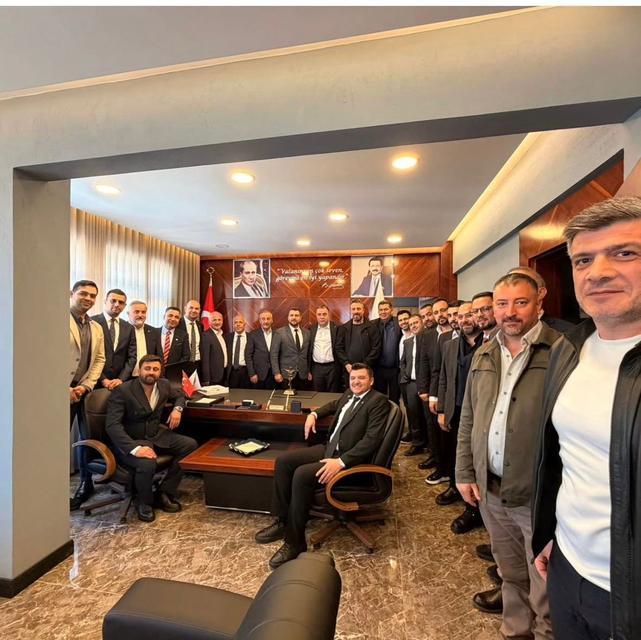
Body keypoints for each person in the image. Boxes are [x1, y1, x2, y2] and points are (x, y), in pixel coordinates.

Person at [532, 197, 641, 640]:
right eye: (583, 260)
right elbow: (564, 459)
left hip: (627, 595)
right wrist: (552, 533)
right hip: (567, 568)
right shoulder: (570, 348)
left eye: (624, 252)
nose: (598, 272)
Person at [456, 273, 560, 636]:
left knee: (545, 581)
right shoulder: (484, 353)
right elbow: (469, 418)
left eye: (521, 302)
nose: (510, 312)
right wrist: (464, 472)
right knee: (510, 572)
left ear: (539, 303)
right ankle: (515, 631)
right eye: (502, 304)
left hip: (535, 495)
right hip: (490, 489)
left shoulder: (560, 351)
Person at [254, 363, 390, 569]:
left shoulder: (378, 401)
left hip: (349, 461)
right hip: (330, 449)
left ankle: (295, 542)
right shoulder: (349, 394)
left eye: (361, 378)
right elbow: (334, 405)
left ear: (371, 381)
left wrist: (341, 462)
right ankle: (283, 521)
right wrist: (314, 414)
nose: (356, 382)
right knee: (283, 462)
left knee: (301, 475)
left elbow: (371, 441)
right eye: (353, 378)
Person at [105, 354, 198, 522]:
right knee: (147, 462)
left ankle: (164, 492)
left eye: (155, 369)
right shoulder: (123, 391)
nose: (151, 372)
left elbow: (180, 395)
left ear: (160, 372)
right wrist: (135, 449)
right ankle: (144, 503)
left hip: (156, 435)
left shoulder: (164, 385)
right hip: (131, 440)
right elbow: (112, 426)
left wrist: (177, 409)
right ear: (139, 370)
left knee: (190, 445)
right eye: (147, 368)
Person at [448, 290, 500, 535]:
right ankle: (474, 510)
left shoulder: (496, 341)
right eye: (475, 311)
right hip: (467, 409)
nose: (478, 315)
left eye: (484, 309)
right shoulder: (477, 344)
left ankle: (489, 521)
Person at [435, 301, 483, 507]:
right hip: (455, 409)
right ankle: (455, 487)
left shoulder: (490, 343)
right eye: (460, 316)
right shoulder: (450, 346)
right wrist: (442, 410)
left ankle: (477, 503)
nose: (464, 320)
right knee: (456, 451)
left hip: (481, 411)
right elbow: (444, 379)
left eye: (468, 315)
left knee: (478, 456)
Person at [69, 279, 106, 510]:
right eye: (83, 293)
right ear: (71, 293)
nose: (88, 299)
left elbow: (99, 359)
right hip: (57, 391)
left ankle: (85, 483)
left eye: (93, 295)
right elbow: (45, 355)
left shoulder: (95, 327)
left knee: (85, 439)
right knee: (54, 442)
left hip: (83, 391)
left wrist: (86, 386)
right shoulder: (56, 318)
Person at [507, 266, 576, 333]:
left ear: (540, 293)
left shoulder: (568, 332)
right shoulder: (501, 329)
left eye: (520, 285)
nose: (513, 291)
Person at [92, 288, 137, 390]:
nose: (117, 304)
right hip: (95, 381)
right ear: (105, 301)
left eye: (121, 302)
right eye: (113, 301)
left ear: (124, 306)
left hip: (119, 384)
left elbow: (132, 357)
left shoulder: (129, 328)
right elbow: (88, 355)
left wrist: (121, 379)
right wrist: (103, 379)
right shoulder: (92, 322)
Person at [399, 315, 427, 456]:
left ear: (422, 323)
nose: (413, 326)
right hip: (411, 383)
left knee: (427, 416)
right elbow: (403, 361)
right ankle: (417, 444)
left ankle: (429, 444)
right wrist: (406, 375)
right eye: (411, 324)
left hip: (426, 384)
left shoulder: (429, 340)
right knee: (414, 415)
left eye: (416, 322)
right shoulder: (408, 342)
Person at [335, 300, 381, 383]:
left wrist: (365, 364)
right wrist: (346, 363)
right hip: (349, 369)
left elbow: (376, 348)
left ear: (363, 310)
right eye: (353, 309)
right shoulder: (343, 328)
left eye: (358, 309)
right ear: (351, 311)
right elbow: (338, 348)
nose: (356, 311)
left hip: (367, 368)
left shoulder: (372, 327)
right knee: (350, 390)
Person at [271, 307, 310, 390]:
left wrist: (309, 371)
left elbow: (309, 354)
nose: (294, 317)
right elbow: (274, 354)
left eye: (296, 315)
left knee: (304, 397)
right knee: (287, 397)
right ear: (288, 317)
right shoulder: (279, 333)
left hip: (303, 375)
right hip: (286, 374)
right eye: (291, 315)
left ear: (300, 318)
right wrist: (276, 373)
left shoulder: (307, 333)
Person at [372, 300, 402, 404]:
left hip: (395, 368)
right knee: (380, 398)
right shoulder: (373, 324)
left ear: (391, 310)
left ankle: (395, 414)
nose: (383, 312)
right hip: (378, 368)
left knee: (395, 397)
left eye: (386, 309)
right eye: (381, 310)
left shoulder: (398, 323)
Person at [307, 304, 341, 393]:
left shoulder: (337, 328)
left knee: (332, 393)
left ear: (328, 315)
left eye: (324, 314)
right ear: (316, 316)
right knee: (317, 394)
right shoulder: (311, 329)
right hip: (316, 368)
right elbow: (308, 351)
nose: (322, 317)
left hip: (333, 367)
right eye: (319, 314)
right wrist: (308, 370)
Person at [127, 300, 161, 376]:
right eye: (136, 312)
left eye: (143, 312)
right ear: (128, 314)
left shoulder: (153, 331)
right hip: (125, 377)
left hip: (148, 376)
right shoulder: (122, 330)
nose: (140, 315)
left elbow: (159, 356)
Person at [246, 308, 276, 389]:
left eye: (268, 319)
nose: (266, 321)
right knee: (259, 396)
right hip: (258, 375)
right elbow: (248, 356)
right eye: (263, 319)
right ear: (259, 321)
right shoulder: (252, 335)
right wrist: (252, 374)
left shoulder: (277, 334)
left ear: (272, 320)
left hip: (274, 374)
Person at [200, 310, 228, 386]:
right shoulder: (206, 335)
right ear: (209, 322)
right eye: (214, 320)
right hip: (213, 377)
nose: (217, 322)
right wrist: (206, 379)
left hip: (224, 374)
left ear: (222, 321)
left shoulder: (222, 335)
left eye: (219, 320)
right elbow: (205, 359)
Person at [226, 314, 250, 388]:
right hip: (231, 372)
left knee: (246, 393)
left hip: (246, 372)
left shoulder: (251, 337)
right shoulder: (227, 337)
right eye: (235, 322)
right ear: (233, 325)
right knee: (232, 393)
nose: (238, 324)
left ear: (244, 324)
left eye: (240, 322)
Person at [177, 299, 203, 363]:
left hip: (198, 362)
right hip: (181, 363)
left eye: (196, 309)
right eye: (191, 308)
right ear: (185, 309)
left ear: (199, 311)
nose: (194, 310)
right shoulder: (177, 324)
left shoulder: (200, 325)